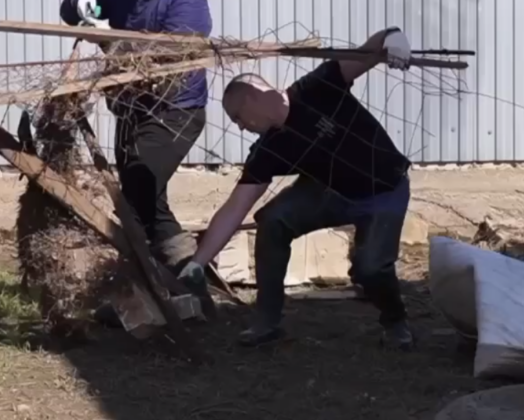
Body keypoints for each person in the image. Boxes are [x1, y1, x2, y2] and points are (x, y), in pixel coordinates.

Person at [178, 27, 416, 350]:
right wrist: (198, 262)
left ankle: (395, 322)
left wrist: (392, 39)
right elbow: (236, 207)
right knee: (273, 221)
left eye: (237, 117)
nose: (241, 127)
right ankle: (267, 322)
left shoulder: (319, 86)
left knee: (370, 269)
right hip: (330, 191)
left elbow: (366, 53)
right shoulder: (268, 150)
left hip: (384, 189)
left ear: (253, 97)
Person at [59, 0, 212, 274]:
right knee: (145, 201)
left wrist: (108, 37)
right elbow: (72, 9)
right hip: (130, 108)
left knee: (139, 185)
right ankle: (181, 273)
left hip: (175, 111)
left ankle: (157, 272)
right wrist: (79, 1)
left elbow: (161, 59)